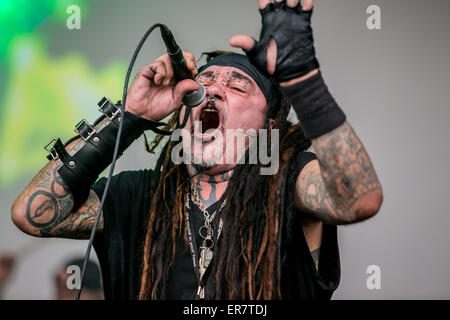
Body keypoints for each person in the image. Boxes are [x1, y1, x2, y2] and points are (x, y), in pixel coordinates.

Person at [11, 0, 382, 300]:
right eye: (205, 82)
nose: (215, 89)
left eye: (238, 86)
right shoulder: (139, 195)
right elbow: (32, 215)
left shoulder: (288, 180)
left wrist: (304, 81)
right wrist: (132, 116)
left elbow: (357, 199)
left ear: (270, 124)